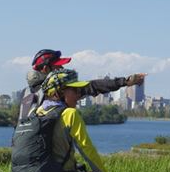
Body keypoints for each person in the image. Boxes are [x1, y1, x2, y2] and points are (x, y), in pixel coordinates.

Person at [20, 69, 127, 172]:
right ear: (59, 92)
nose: (78, 95)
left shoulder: (35, 113)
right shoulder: (70, 114)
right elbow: (87, 149)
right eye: (74, 90)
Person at [18, 49, 146, 122]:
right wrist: (125, 81)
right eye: (58, 66)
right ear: (46, 69)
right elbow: (93, 86)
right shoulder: (54, 92)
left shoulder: (27, 93)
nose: (62, 68)